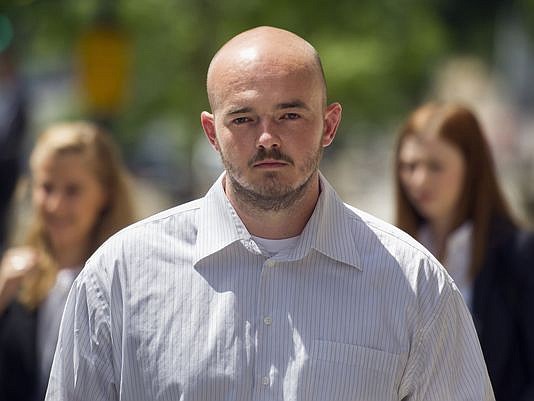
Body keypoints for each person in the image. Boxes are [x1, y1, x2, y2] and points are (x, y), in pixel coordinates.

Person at [46, 27, 495, 401]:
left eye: (290, 115)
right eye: (242, 119)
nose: (266, 138)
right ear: (211, 132)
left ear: (330, 124)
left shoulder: (414, 286)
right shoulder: (119, 277)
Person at [394, 102, 534, 401]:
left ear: (472, 168)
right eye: (409, 166)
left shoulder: (519, 254)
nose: (419, 180)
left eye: (435, 166)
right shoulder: (392, 253)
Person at [0, 121, 136, 401]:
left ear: (105, 194)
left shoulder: (130, 281)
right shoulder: (14, 278)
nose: (55, 205)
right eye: (47, 187)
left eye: (73, 190)